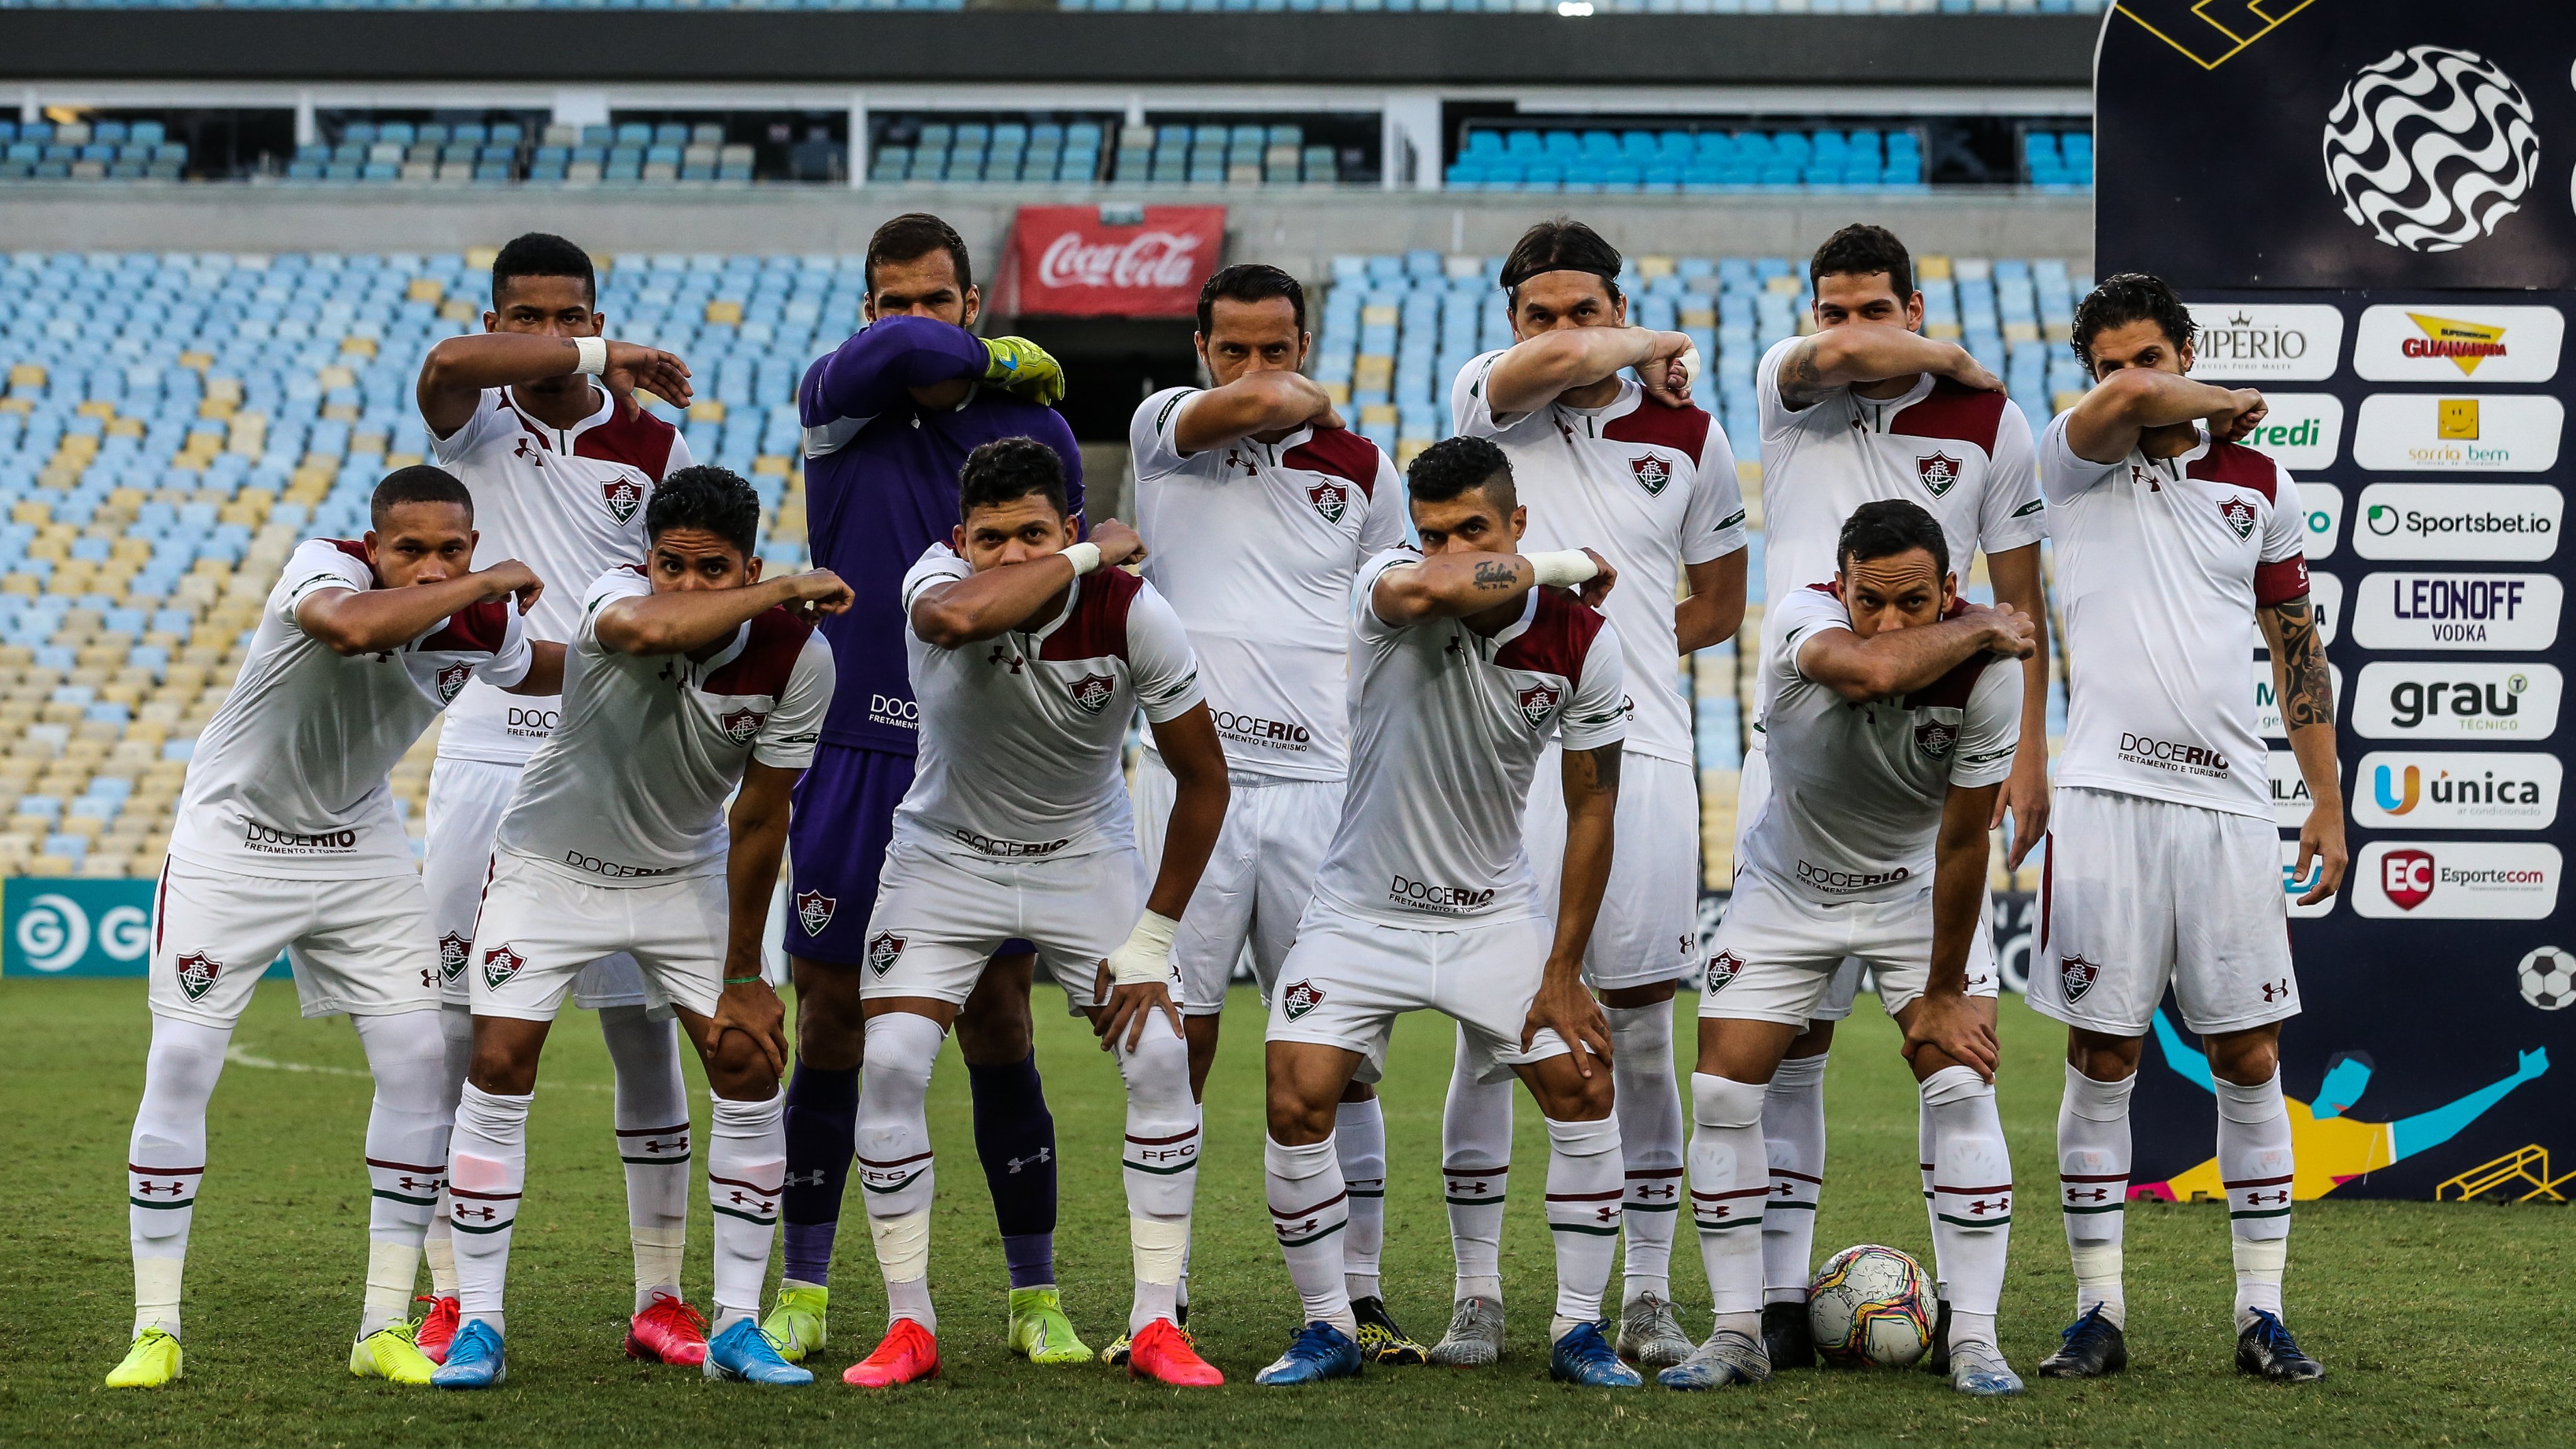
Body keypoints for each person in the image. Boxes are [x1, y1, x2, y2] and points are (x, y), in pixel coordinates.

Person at [105, 467, 556, 1389]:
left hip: (358, 845)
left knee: (418, 1063)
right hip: (233, 840)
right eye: (411, 550)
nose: (432, 568)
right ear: (372, 544)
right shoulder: (324, 571)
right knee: (182, 1062)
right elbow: (352, 629)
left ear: (473, 544)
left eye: (453, 549)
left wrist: (675, 654)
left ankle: (382, 1325)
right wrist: (481, 582)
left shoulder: (487, 622)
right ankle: (156, 1331)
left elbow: (544, 667)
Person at [430, 467, 845, 1391]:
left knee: (746, 1060)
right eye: (674, 565)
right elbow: (650, 630)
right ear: (645, 558)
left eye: (714, 571)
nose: (688, 586)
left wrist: (746, 972)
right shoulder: (616, 595)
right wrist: (775, 588)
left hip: (682, 875)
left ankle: (737, 1324)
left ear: (747, 563)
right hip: (549, 866)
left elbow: (761, 816)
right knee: (497, 1063)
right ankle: (480, 1328)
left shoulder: (801, 656)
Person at [771, 213, 1091, 1366]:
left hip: (983, 761)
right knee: (832, 1020)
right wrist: (989, 348)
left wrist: (1005, 370)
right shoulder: (837, 400)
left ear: (972, 298)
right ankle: (805, 1288)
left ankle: (1033, 1296)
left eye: (937, 297)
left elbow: (1057, 586)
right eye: (892, 300)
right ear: (868, 313)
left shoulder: (1038, 425)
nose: (913, 317)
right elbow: (909, 362)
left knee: (1001, 1021)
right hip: (855, 750)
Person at [845, 437, 1230, 1389]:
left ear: (1061, 524)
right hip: (944, 857)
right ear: (958, 542)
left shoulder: (1136, 610)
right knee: (891, 1064)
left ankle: (1153, 1322)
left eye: (1032, 535)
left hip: (1082, 857)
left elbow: (1206, 783)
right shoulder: (936, 581)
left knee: (1160, 1056)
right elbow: (956, 619)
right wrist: (1089, 550)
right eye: (991, 539)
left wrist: (1150, 939)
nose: (1011, 555)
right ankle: (909, 1325)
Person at [1255, 435, 1638, 1389]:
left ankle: (1579, 1330)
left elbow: (1594, 805)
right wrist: (1560, 565)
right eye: (1435, 534)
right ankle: (1328, 1325)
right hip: (1358, 913)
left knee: (1585, 1085)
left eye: (1475, 529)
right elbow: (1435, 590)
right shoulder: (1389, 585)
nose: (1451, 550)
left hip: (1490, 918)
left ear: (1515, 520)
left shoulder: (1584, 641)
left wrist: (1562, 968)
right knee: (1297, 1096)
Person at [1741, 223, 2052, 1369]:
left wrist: (2029, 759)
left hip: (1936, 741)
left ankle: (1975, 1331)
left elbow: (2017, 601)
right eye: (1834, 308)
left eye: (1876, 308)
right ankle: (1776, 1305)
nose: (1851, 330)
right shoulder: (1791, 388)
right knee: (1790, 1046)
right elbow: (1831, 363)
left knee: (1954, 1054)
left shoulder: (1994, 428)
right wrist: (1953, 358)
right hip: (1802, 732)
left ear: (1915, 306)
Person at [1440, 218, 1748, 1370]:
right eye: (1543, 316)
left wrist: (1602, 661)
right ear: (1510, 327)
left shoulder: (1689, 434)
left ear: (1614, 307)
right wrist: (1641, 339)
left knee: (1642, 1034)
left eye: (1588, 312)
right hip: (1495, 764)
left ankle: (1648, 1296)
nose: (1565, 336)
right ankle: (1478, 1296)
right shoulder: (1489, 404)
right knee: (1488, 1033)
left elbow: (1718, 603)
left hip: (1646, 760)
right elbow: (1559, 370)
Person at [2028, 271, 2343, 1385]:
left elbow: (2294, 647)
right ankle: (2096, 1312)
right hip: (2105, 799)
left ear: (2183, 350)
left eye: (2148, 358)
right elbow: (2120, 413)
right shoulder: (2066, 460)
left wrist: (2328, 801)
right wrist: (2199, 392)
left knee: (2248, 1056)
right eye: (2108, 364)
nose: (2127, 381)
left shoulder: (2261, 481)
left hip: (2228, 805)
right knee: (2101, 1054)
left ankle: (2263, 1312)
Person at [413, 231, 711, 1367]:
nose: (545, 338)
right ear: (498, 316)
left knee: (643, 1030)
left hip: (612, 758)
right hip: (488, 747)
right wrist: (597, 346)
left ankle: (659, 1296)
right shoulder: (470, 418)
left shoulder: (656, 442)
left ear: (596, 307)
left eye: (568, 316)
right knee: (459, 1030)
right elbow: (449, 361)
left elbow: (669, 593)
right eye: (524, 317)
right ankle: (451, 1294)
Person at [1668, 499, 2035, 1396]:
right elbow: (1870, 672)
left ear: (1948, 587)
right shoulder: (1806, 619)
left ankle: (1976, 1338)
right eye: (1870, 599)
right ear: (1840, 587)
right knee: (1721, 1094)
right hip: (1786, 888)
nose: (1889, 620)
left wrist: (1946, 989)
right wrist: (1987, 621)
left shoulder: (1994, 678)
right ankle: (1737, 1331)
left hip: (1912, 890)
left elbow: (1961, 842)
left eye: (1916, 601)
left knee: (1960, 1081)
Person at [1126, 262, 1414, 1361]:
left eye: (1277, 348)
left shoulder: (1367, 470)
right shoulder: (1164, 430)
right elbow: (1254, 410)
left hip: (1323, 795)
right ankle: (1166, 1295)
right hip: (1192, 789)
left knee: (1337, 1054)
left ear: (1307, 340)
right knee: (1174, 1045)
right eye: (1233, 348)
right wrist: (1289, 390)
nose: (1254, 370)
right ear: (1200, 351)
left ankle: (1362, 1297)